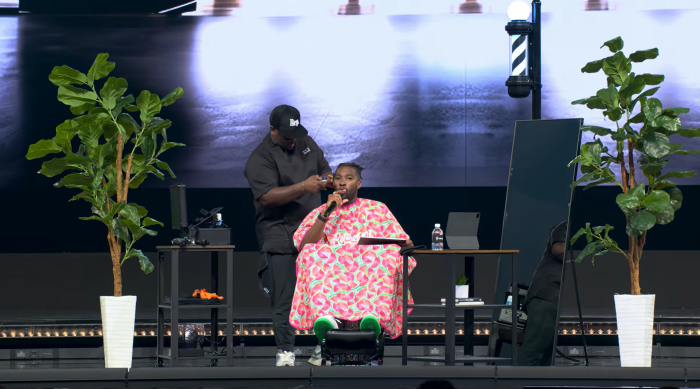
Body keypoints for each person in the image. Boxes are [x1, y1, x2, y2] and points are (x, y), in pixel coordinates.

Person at [290, 162, 415, 366]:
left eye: (349, 178)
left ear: (358, 184)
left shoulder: (377, 209)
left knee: (390, 254)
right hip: (334, 279)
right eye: (338, 177)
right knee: (312, 252)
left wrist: (397, 245)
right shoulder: (321, 211)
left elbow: (404, 241)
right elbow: (304, 245)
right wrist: (327, 213)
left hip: (367, 280)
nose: (342, 182)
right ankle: (328, 318)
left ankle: (373, 318)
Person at [244, 104, 334, 367]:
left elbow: (325, 167)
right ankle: (286, 351)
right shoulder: (260, 158)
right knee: (285, 298)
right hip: (280, 234)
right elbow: (267, 196)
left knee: (322, 294)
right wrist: (304, 187)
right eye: (286, 135)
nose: (292, 140)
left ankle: (322, 348)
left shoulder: (305, 141)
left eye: (295, 134)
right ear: (272, 130)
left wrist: (327, 179)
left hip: (314, 233)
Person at [518, 220, 567, 366]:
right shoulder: (565, 226)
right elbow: (558, 249)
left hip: (554, 301)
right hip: (546, 298)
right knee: (532, 353)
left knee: (545, 359)